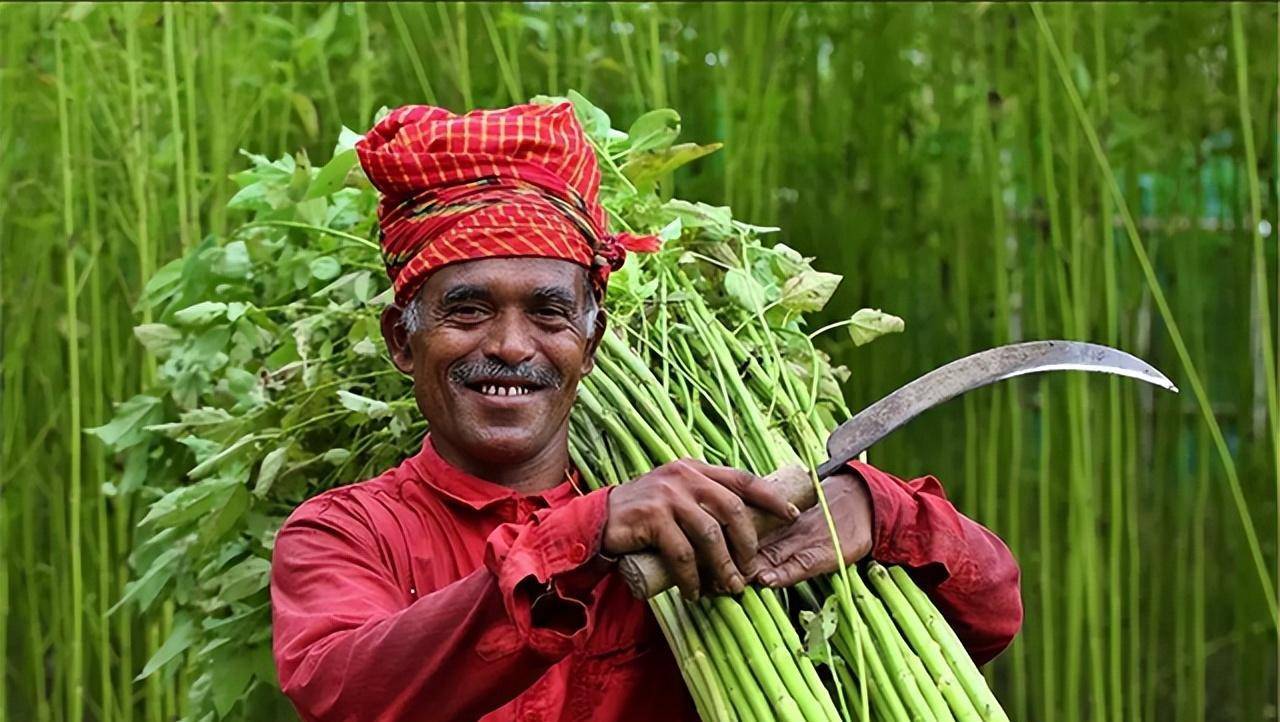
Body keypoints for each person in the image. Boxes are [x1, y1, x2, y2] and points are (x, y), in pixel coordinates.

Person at [269, 101, 1022, 722]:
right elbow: (348, 691)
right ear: (402, 341)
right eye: (466, 311)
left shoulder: (707, 509)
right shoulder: (346, 533)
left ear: (591, 343)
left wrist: (876, 512)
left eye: (549, 314)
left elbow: (990, 613)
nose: (509, 345)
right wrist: (585, 534)